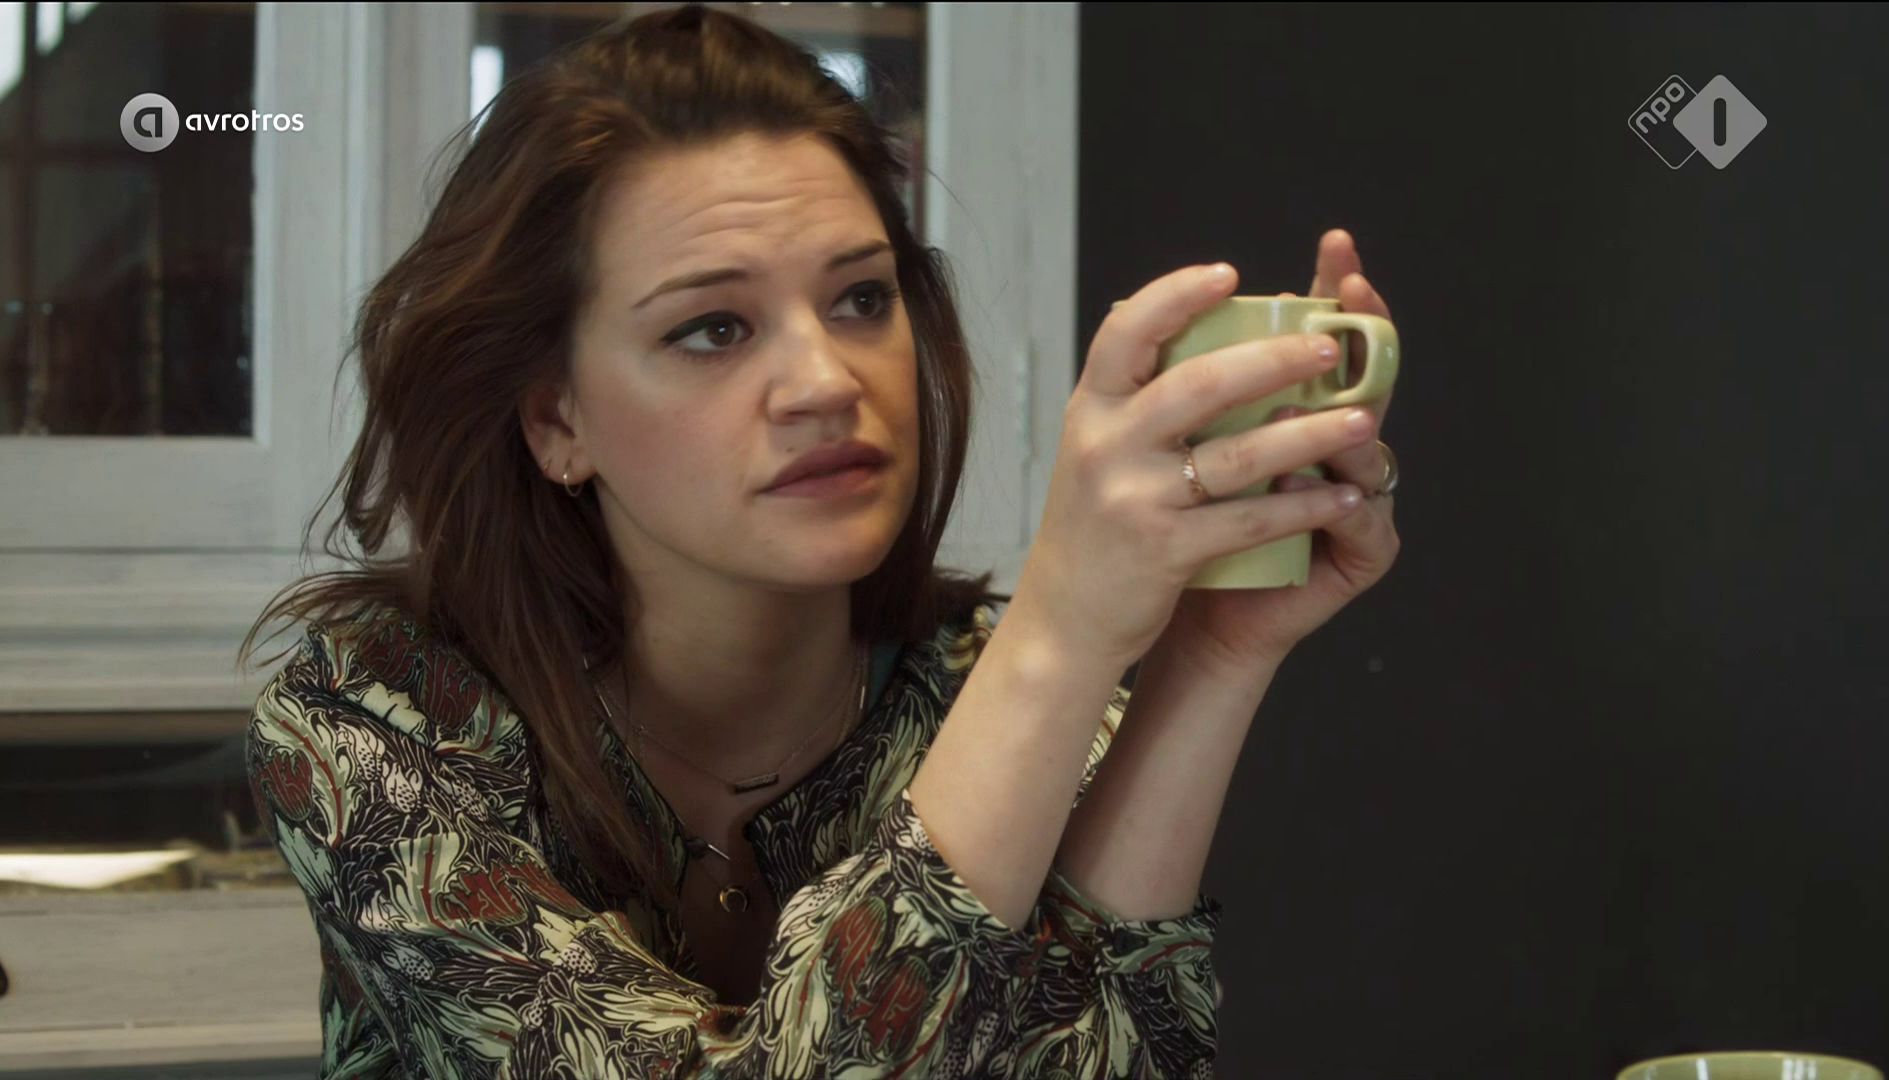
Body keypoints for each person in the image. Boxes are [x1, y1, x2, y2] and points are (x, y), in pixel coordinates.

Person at [241, 4, 1403, 1077]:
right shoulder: (374, 726)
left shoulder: (998, 706)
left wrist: (1213, 657)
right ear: (557, 421)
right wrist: (1060, 627)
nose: (827, 380)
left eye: (861, 299)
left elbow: (1117, 1059)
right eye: (714, 328)